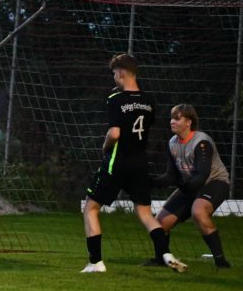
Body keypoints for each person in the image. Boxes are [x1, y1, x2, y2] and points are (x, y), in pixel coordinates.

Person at [81, 53, 186, 273]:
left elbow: (115, 133)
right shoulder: (149, 101)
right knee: (146, 214)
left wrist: (105, 146)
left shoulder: (115, 99)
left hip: (118, 162)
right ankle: (166, 254)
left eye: (114, 74)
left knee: (91, 208)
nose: (114, 78)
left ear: (120, 73)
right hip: (140, 162)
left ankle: (95, 262)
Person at [150, 104, 232, 269]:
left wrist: (184, 186)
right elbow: (171, 176)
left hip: (215, 183)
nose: (172, 121)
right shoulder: (173, 142)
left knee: (198, 211)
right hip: (191, 185)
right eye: (172, 118)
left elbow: (202, 175)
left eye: (177, 118)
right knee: (159, 223)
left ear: (189, 122)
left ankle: (221, 262)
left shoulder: (201, 142)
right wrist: (149, 182)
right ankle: (161, 259)